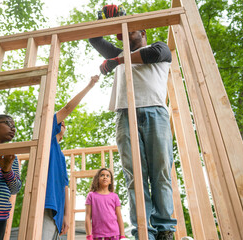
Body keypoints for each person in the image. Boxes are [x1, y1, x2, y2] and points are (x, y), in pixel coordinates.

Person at [89, 6, 177, 240]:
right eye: (119, 32)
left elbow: (153, 56)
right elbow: (94, 38)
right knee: (134, 177)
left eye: (128, 29)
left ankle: (165, 229)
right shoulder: (119, 53)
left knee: (161, 172)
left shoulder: (159, 47)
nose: (123, 34)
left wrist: (117, 59)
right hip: (125, 115)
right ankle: (142, 231)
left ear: (143, 30)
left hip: (154, 112)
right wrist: (103, 20)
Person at [43, 75, 99, 240]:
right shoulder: (48, 140)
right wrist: (89, 86)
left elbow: (65, 186)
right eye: (61, 122)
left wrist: (67, 216)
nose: (63, 123)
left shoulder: (59, 154)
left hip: (58, 211)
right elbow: (67, 108)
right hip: (46, 202)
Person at [85, 168, 125, 240]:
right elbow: (88, 216)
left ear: (110, 181)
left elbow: (119, 216)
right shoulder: (91, 195)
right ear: (97, 179)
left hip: (114, 234)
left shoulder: (115, 196)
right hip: (97, 235)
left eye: (108, 176)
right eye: (102, 175)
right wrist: (89, 236)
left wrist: (122, 235)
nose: (105, 177)